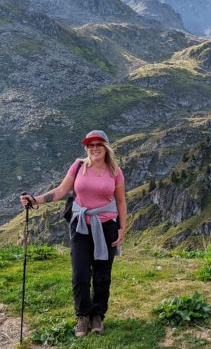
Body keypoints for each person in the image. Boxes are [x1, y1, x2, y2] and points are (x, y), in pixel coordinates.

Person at [20, 130, 127, 337]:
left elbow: (121, 201)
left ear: (106, 147)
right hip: (80, 225)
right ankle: (82, 316)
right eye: (90, 145)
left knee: (102, 275)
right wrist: (35, 201)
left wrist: (122, 228)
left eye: (98, 144)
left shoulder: (115, 171)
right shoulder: (78, 166)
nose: (94, 148)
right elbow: (61, 191)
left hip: (106, 226)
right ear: (86, 148)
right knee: (80, 274)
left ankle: (97, 316)